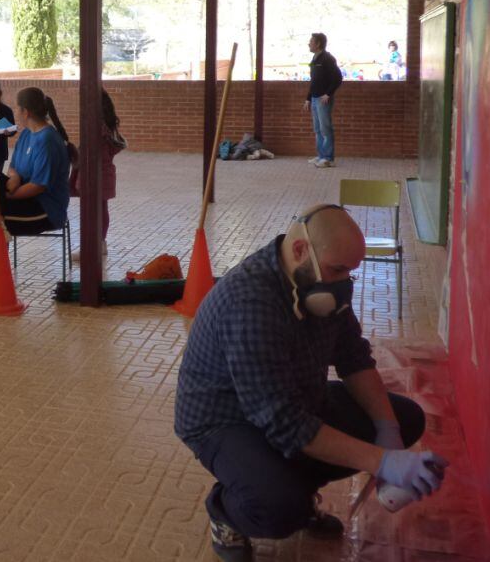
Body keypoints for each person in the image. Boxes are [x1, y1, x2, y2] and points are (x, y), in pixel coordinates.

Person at [174, 205, 445, 561]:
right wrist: (382, 462)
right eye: (337, 269)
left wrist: (387, 430)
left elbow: (353, 358)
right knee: (278, 506)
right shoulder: (250, 302)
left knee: (405, 417)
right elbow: (284, 424)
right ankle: (226, 512)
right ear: (301, 251)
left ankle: (298, 492)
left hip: (293, 397)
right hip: (224, 419)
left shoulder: (324, 286)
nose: (342, 281)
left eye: (350, 272)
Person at [0, 87, 70, 293]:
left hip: (43, 208)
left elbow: (38, 185)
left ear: (26, 112)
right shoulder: (26, 134)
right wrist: (13, 177)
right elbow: (13, 165)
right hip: (20, 192)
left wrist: (7, 194)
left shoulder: (47, 140)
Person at [70, 89, 126, 260]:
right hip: (105, 173)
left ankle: (90, 247)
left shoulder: (96, 125)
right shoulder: (107, 124)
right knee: (102, 210)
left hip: (94, 175)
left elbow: (89, 151)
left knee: (91, 212)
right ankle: (100, 243)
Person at [302, 32, 342, 168]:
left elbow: (338, 78)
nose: (309, 43)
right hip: (314, 99)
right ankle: (321, 156)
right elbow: (314, 82)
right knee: (318, 129)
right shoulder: (315, 58)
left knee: (326, 129)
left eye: (311, 41)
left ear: (318, 43)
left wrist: (328, 94)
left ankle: (328, 159)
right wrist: (308, 98)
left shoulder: (327, 58)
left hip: (322, 100)